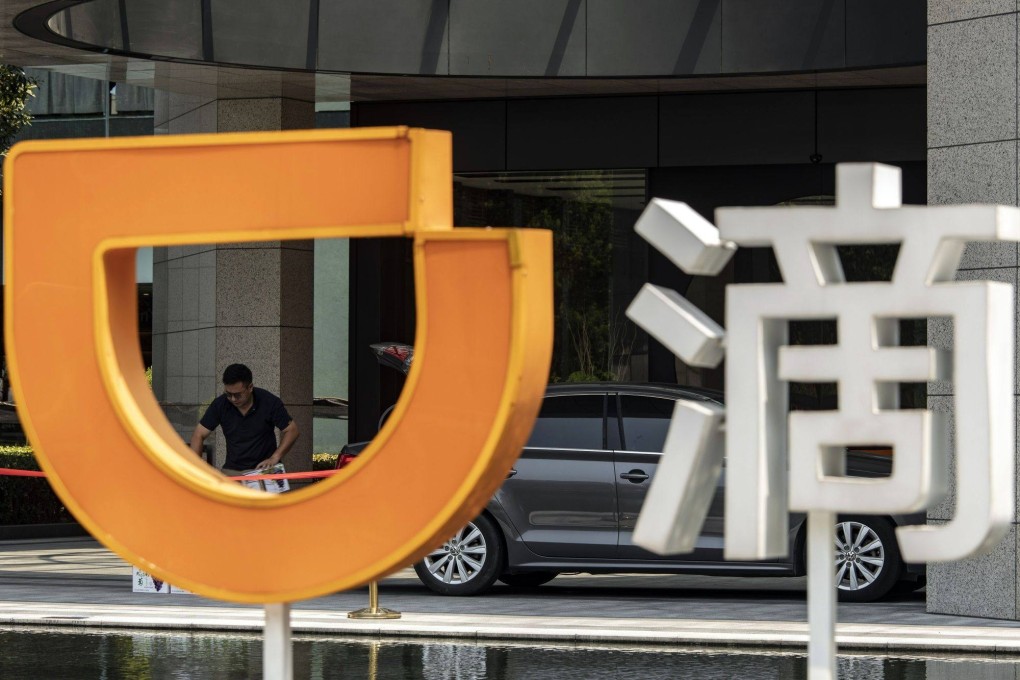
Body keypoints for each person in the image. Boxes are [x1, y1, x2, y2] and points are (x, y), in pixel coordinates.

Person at [189, 363, 299, 474]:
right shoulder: (220, 404)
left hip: (265, 469)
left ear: (250, 387)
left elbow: (292, 430)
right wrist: (197, 466)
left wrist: (275, 457)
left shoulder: (269, 402)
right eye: (228, 394)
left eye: (237, 395)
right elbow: (198, 434)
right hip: (233, 470)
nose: (232, 399)